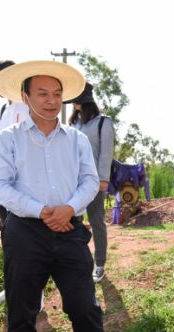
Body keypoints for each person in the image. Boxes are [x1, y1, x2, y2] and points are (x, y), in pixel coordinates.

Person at [0, 60, 104, 332]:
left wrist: (69, 209)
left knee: (84, 307)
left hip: (70, 230)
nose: (51, 101)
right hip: (25, 233)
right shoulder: (8, 140)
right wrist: (42, 212)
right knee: (21, 313)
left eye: (56, 93)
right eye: (42, 93)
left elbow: (89, 181)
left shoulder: (76, 139)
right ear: (25, 96)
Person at [67, 82, 114, 283]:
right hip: (72, 182)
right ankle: (74, 263)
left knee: (97, 223)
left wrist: (103, 179)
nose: (74, 105)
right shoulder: (73, 124)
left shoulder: (103, 122)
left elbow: (106, 153)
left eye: (76, 100)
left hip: (94, 181)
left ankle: (100, 264)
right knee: (72, 223)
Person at [0, 60, 30, 222]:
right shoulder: (4, 110)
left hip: (24, 186)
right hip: (4, 184)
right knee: (9, 233)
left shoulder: (28, 105)